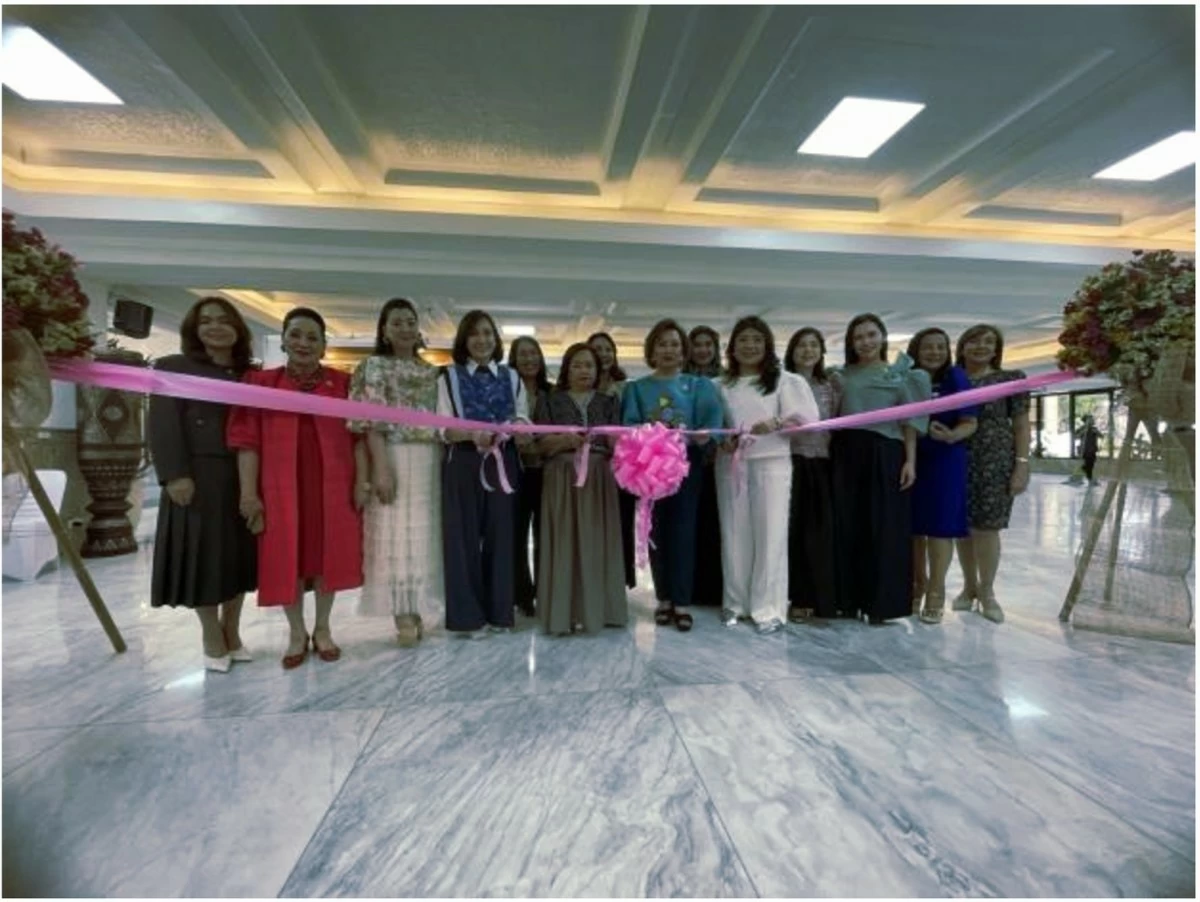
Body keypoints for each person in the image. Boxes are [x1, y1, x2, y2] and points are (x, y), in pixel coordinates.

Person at [227, 307, 368, 668]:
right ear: (285, 340)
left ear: (323, 345)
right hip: (280, 489)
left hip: (332, 488)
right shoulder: (259, 384)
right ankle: (295, 632)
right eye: (296, 335)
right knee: (286, 558)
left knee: (327, 556)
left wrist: (361, 481)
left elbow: (359, 439)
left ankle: (322, 628)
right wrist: (248, 494)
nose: (303, 343)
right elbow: (246, 442)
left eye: (312, 337)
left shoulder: (343, 384)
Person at [148, 297, 258, 672]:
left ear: (238, 329)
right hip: (196, 477)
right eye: (206, 321)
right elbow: (163, 425)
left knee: (240, 557)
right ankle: (211, 634)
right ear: (194, 329)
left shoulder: (250, 373)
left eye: (224, 321)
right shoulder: (173, 367)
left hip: (245, 475)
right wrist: (175, 474)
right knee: (203, 559)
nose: (215, 327)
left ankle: (233, 629)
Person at [348, 297, 444, 646]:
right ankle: (401, 613)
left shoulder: (430, 371)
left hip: (429, 457)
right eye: (397, 322)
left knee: (422, 537)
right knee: (395, 535)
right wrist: (380, 468)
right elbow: (368, 421)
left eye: (410, 322)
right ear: (385, 331)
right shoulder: (372, 367)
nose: (404, 328)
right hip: (391, 453)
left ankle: (417, 606)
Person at [714, 317, 818, 633]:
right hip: (731, 465)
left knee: (771, 535)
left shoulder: (787, 382)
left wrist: (777, 423)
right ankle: (735, 603)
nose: (750, 346)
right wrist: (725, 442)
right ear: (733, 347)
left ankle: (768, 607)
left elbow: (808, 421)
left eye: (757, 340)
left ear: (768, 345)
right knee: (734, 535)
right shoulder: (718, 386)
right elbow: (713, 426)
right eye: (743, 339)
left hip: (772, 464)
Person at [622, 319, 724, 632]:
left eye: (675, 344)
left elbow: (712, 423)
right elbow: (629, 424)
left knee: (683, 529)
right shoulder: (636, 388)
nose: (669, 350)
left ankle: (681, 601)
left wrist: (707, 435)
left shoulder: (699, 386)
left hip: (685, 465)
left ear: (684, 351)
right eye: (663, 344)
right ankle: (663, 599)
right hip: (648, 465)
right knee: (656, 530)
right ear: (652, 349)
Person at [831, 313, 931, 624]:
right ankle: (847, 600)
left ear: (882, 337)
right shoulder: (840, 375)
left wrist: (910, 461)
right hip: (846, 453)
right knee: (847, 525)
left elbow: (909, 423)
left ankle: (880, 604)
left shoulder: (901, 375)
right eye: (858, 337)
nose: (865, 342)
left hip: (885, 452)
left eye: (871, 335)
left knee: (884, 527)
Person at [438, 310, 531, 638]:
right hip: (462, 463)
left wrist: (522, 430)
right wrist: (471, 434)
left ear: (496, 339)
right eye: (475, 334)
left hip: (504, 462)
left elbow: (522, 417)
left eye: (488, 333)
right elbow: (444, 429)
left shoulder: (512, 377)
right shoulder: (447, 377)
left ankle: (500, 614)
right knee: (461, 542)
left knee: (502, 539)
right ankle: (467, 618)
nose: (482, 340)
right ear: (464, 340)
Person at [534, 343, 627, 635]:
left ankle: (602, 611)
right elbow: (539, 444)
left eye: (589, 365)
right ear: (566, 370)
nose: (584, 370)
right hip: (562, 476)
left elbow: (617, 443)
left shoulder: (609, 402)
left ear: (598, 370)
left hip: (600, 477)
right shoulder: (549, 401)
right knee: (564, 541)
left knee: (599, 541)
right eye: (577, 365)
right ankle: (563, 614)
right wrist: (565, 441)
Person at [953, 324, 1030, 624]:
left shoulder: (1011, 380)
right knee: (961, 526)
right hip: (956, 456)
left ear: (997, 349)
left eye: (988, 342)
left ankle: (987, 592)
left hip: (994, 459)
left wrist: (1022, 463)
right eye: (974, 340)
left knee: (987, 527)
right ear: (962, 346)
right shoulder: (953, 379)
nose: (981, 346)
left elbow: (1022, 424)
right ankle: (968, 586)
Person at [906, 328, 978, 625]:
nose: (934, 352)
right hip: (911, 458)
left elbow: (970, 421)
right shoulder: (907, 377)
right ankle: (915, 585)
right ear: (916, 350)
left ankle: (936, 590)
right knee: (912, 529)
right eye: (927, 347)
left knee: (939, 528)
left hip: (945, 460)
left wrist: (950, 436)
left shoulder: (956, 378)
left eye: (940, 347)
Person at [783, 327, 840, 621]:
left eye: (814, 345)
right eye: (802, 345)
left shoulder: (831, 384)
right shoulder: (782, 383)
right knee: (792, 535)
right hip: (788, 464)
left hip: (822, 465)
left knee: (819, 535)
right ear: (792, 351)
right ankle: (796, 598)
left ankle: (820, 598)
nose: (808, 351)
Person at [589, 331, 637, 590]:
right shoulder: (583, 387)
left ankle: (619, 580)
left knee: (621, 523)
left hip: (623, 467)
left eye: (608, 349)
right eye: (597, 349)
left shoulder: (627, 388)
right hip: (591, 466)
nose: (603, 354)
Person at [508, 336, 552, 617]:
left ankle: (546, 592)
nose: (529, 359)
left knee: (546, 535)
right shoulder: (506, 391)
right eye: (522, 354)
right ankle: (522, 594)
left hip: (547, 473)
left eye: (533, 353)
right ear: (513, 359)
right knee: (517, 535)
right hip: (515, 472)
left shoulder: (553, 393)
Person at [686, 325, 724, 608]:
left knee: (715, 525)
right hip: (685, 462)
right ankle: (690, 588)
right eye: (697, 344)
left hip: (719, 462)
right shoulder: (681, 381)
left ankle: (715, 589)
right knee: (691, 525)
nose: (702, 350)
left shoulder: (726, 381)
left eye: (708, 344)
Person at [1079, 416, 1102, 485]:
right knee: (1089, 464)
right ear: (1086, 421)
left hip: (1093, 449)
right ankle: (1090, 479)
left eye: (1092, 420)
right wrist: (1083, 432)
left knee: (1091, 464)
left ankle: (1088, 475)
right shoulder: (1082, 428)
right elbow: (1075, 436)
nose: (1093, 421)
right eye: (1091, 420)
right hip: (1085, 450)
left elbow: (1101, 436)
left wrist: (1097, 432)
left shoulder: (1094, 429)